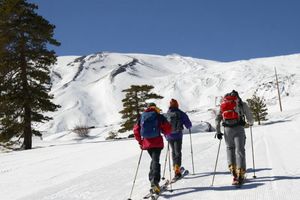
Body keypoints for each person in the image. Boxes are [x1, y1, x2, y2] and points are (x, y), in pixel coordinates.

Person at [215, 90, 254, 185]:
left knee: (230, 148)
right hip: (238, 128)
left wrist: (218, 132)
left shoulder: (223, 104)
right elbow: (250, 117)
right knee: (239, 150)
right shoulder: (241, 104)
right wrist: (250, 123)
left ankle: (233, 172)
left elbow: (217, 118)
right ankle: (240, 173)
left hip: (227, 130)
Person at [133, 102, 172, 194]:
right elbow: (167, 128)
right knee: (156, 160)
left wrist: (140, 142)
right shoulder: (158, 116)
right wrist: (166, 133)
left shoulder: (142, 116)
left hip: (147, 143)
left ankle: (152, 179)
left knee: (154, 160)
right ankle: (155, 181)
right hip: (157, 142)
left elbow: (135, 130)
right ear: (155, 107)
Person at [165, 99, 192, 180]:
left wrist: (165, 134)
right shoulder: (180, 113)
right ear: (177, 105)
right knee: (178, 152)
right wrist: (188, 126)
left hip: (169, 136)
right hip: (178, 136)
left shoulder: (167, 114)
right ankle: (177, 170)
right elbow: (188, 124)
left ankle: (175, 167)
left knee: (173, 152)